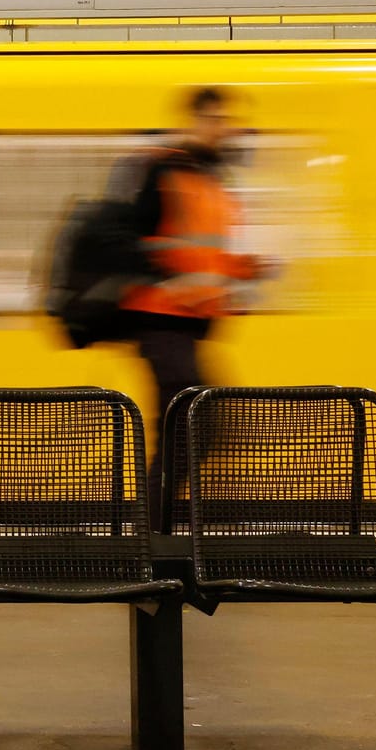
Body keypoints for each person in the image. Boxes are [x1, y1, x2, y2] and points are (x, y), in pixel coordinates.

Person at [121, 87, 269, 511]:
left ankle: (155, 526)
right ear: (197, 121)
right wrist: (174, 278)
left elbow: (206, 251)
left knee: (193, 426)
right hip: (159, 320)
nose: (229, 130)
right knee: (192, 423)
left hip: (188, 326)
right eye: (221, 120)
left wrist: (243, 268)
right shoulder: (164, 171)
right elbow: (135, 242)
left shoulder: (211, 179)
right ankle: (150, 530)